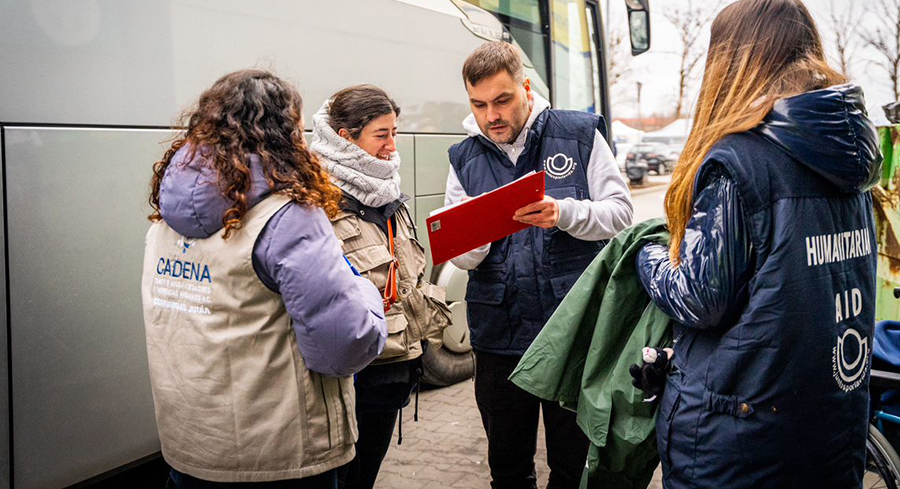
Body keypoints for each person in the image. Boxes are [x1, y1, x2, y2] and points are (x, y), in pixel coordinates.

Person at [635, 0, 882, 488]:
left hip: (741, 443)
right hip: (831, 428)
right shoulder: (848, 163)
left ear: (732, 62)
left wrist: (648, 255)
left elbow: (700, 298)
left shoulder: (741, 160)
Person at [141, 69, 388, 489]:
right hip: (281, 458)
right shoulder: (287, 217)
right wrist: (366, 291)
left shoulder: (165, 220)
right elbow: (343, 346)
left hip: (192, 450)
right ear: (282, 134)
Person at [444, 41, 633, 488]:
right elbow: (463, 257)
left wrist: (564, 213)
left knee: (571, 466)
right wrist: (477, 233)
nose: (492, 116)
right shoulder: (464, 156)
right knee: (507, 469)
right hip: (499, 336)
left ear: (526, 88)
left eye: (503, 100)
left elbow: (621, 214)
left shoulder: (579, 134)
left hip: (569, 332)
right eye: (479, 104)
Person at [310, 85, 452, 489]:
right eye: (381, 134)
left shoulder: (386, 189)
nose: (393, 145)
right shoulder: (319, 200)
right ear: (345, 138)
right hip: (353, 375)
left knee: (366, 474)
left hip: (393, 369)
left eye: (395, 131)